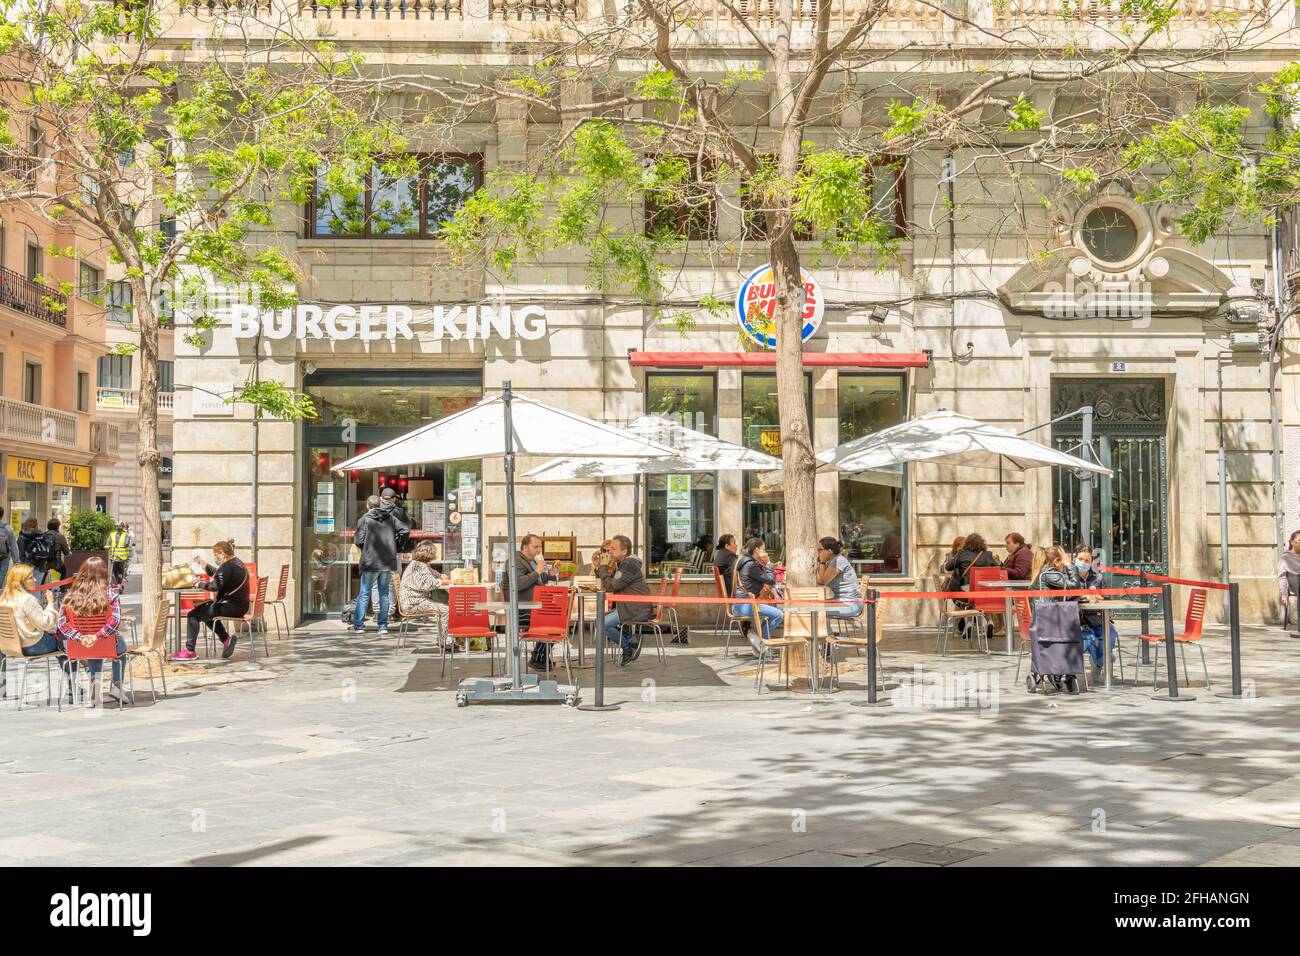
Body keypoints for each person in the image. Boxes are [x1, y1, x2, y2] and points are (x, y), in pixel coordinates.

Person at [57, 556, 128, 704]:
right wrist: (97, 636)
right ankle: (116, 685)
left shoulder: (69, 597)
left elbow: (62, 624)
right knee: (121, 650)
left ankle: (95, 685)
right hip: (105, 644)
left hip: (78, 647)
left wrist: (80, 637)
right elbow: (114, 622)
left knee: (94, 650)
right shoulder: (111, 595)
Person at [171, 540, 250, 661]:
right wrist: (203, 564)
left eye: (216, 556)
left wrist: (200, 584)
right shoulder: (237, 563)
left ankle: (190, 651)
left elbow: (215, 586)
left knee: (193, 615)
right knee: (206, 613)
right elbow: (219, 575)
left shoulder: (228, 566)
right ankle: (226, 640)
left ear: (222, 553)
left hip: (231, 606)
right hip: (240, 606)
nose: (216, 558)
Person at [350, 488, 411, 636]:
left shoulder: (364, 519)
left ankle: (359, 625)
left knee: (364, 593)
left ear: (368, 505)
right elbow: (405, 530)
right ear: (380, 503)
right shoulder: (390, 518)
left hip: (370, 561)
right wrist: (396, 545)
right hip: (386, 561)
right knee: (384, 593)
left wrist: (365, 546)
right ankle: (382, 626)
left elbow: (358, 540)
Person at [595, 535, 653, 666]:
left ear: (624, 551)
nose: (609, 552)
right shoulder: (624, 564)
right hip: (628, 607)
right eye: (609, 549)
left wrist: (603, 567)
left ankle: (629, 648)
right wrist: (602, 567)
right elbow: (611, 582)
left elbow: (611, 586)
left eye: (613, 549)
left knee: (601, 623)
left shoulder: (628, 564)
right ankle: (631, 639)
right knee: (600, 620)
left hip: (635, 609)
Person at [1068, 544, 1118, 682]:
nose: (1083, 563)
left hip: (1097, 618)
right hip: (1076, 620)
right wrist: (1083, 596)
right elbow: (1065, 596)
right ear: (1074, 558)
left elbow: (1107, 598)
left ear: (1091, 562)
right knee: (1090, 640)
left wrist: (1096, 596)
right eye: (1080, 559)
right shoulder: (1068, 576)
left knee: (1110, 636)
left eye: (1087, 560)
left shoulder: (1098, 578)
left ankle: (1098, 663)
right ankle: (1103, 658)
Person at [513, 532, 557, 669]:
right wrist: (537, 571)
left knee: (558, 616)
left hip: (534, 606)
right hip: (520, 608)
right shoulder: (515, 561)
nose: (539, 550)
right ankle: (538, 658)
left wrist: (549, 574)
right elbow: (518, 583)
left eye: (540, 547)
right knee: (552, 619)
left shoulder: (530, 562)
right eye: (535, 546)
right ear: (525, 547)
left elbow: (537, 580)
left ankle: (540, 656)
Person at [733, 537, 783, 656]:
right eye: (763, 550)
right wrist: (769, 563)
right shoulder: (751, 565)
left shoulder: (745, 561)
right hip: (745, 605)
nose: (765, 553)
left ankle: (756, 637)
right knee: (779, 614)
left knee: (774, 610)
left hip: (741, 604)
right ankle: (761, 643)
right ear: (757, 550)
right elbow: (771, 580)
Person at [399, 540, 450, 641]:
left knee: (445, 607)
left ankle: (442, 640)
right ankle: (445, 642)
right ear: (429, 553)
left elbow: (436, 575)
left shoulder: (419, 564)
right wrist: (447, 581)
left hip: (414, 601)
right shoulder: (419, 567)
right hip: (413, 603)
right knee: (446, 610)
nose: (435, 554)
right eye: (433, 552)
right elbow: (429, 584)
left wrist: (441, 577)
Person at [816, 536, 864, 636]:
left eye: (820, 550)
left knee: (818, 612)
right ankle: (828, 638)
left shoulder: (838, 561)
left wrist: (822, 562)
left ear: (829, 550)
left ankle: (829, 641)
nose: (818, 552)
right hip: (841, 601)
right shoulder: (833, 561)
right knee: (817, 608)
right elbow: (821, 580)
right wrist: (822, 562)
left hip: (851, 604)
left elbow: (822, 581)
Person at [17, 517, 54, 584]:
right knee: (37, 590)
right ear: (36, 525)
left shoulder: (22, 537)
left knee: (26, 590)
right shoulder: (42, 536)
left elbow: (21, 555)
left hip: (26, 568)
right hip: (41, 567)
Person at [1278, 530, 1300, 624]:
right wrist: (1284, 595)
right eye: (1299, 540)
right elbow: (1282, 578)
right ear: (1292, 541)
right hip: (1296, 587)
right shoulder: (1285, 558)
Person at [44, 518, 71, 586]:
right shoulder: (60, 537)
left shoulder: (43, 535)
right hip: (56, 564)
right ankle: (62, 591)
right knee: (64, 573)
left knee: (43, 577)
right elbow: (66, 552)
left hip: (44, 563)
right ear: (57, 527)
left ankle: (42, 591)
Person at [107, 522, 132, 590]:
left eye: (120, 526)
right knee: (114, 571)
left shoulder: (126, 535)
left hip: (122, 557)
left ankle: (119, 583)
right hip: (114, 556)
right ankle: (115, 583)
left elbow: (126, 543)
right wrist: (107, 546)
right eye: (117, 526)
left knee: (121, 572)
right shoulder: (112, 535)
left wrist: (123, 546)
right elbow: (108, 542)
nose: (118, 528)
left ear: (122, 527)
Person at [0, 507, 17, 582]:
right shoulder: (7, 528)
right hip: (4, 557)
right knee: (1, 575)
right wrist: (16, 561)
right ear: (2, 515)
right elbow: (14, 546)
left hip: (4, 557)